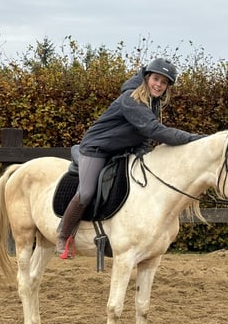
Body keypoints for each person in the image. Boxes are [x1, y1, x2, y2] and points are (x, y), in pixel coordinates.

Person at [56, 57, 205, 258]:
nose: (159, 85)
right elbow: (153, 129)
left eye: (164, 82)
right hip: (96, 149)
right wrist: (195, 139)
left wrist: (143, 153)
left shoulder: (153, 103)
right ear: (146, 78)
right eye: (156, 79)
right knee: (86, 192)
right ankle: (63, 235)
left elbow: (142, 135)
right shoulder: (131, 98)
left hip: (119, 152)